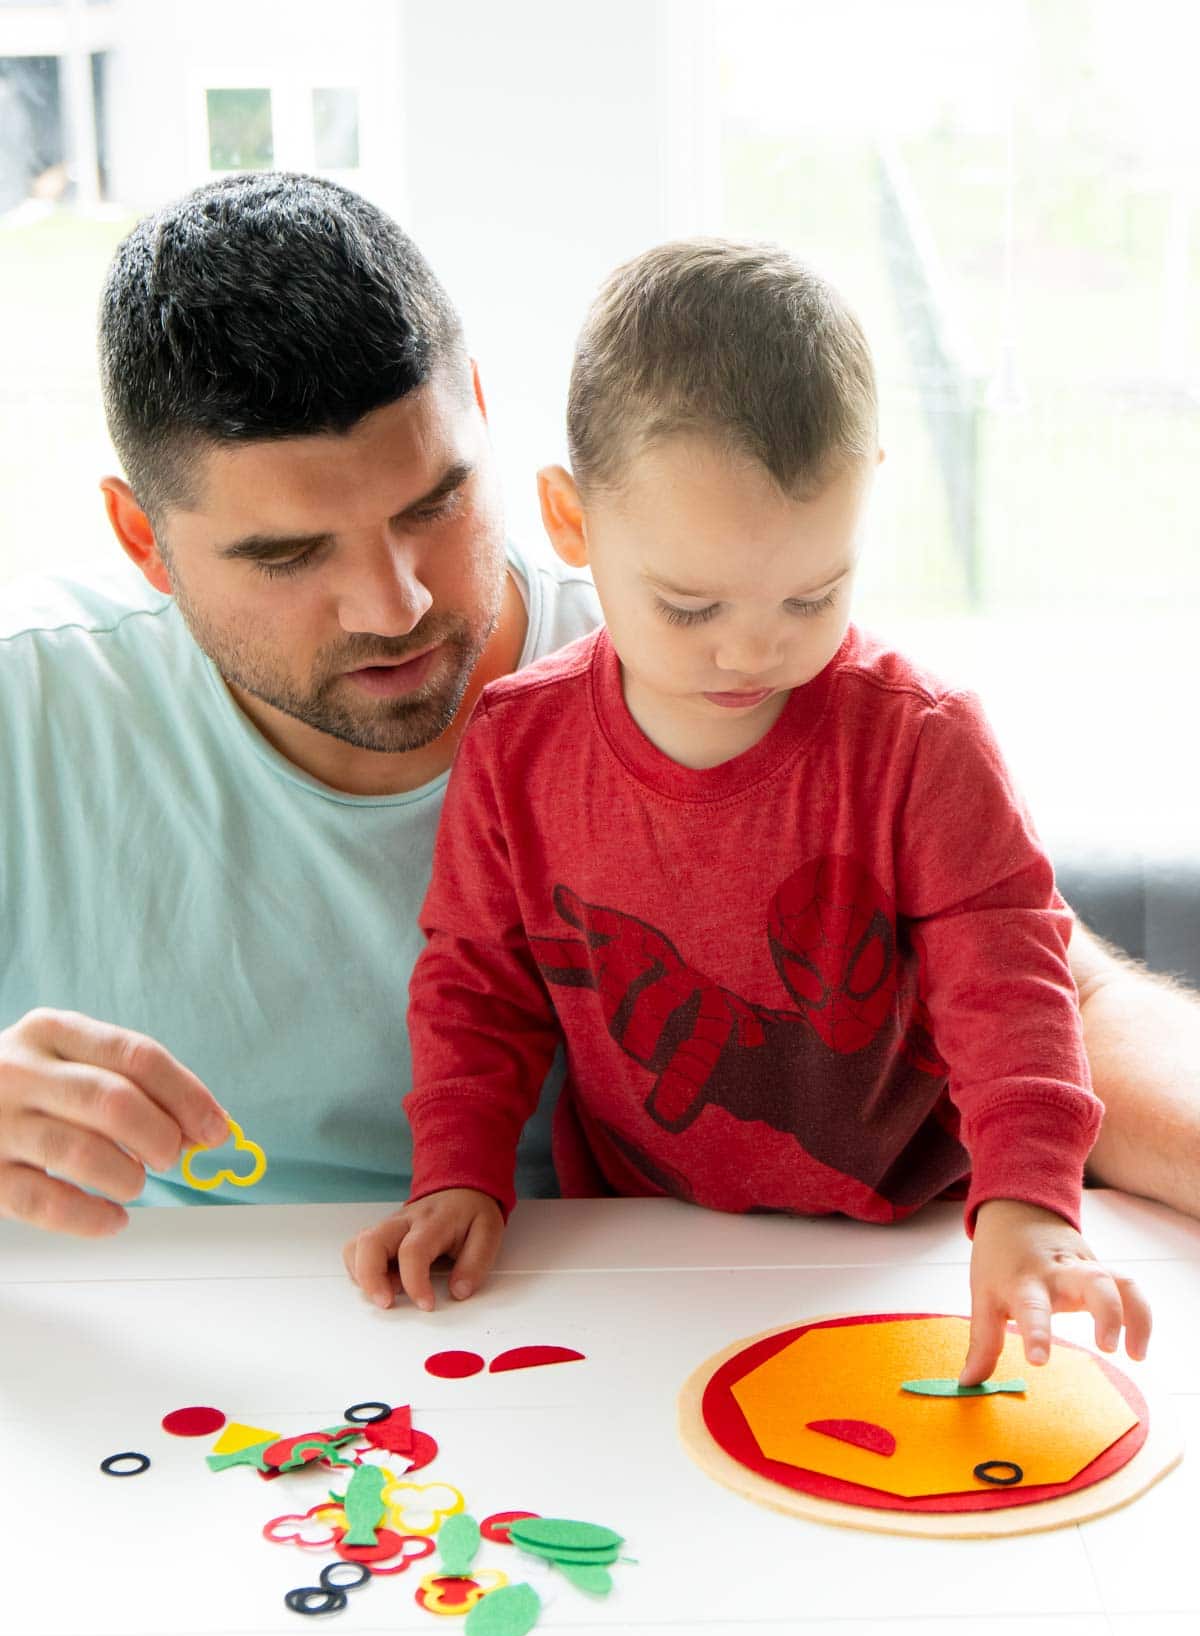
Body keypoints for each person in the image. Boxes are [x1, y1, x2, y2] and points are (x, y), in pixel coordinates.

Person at [0, 178, 1195, 1329]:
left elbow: (1039, 988)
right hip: (197, 1351)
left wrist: (1038, 1196)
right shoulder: (33, 708)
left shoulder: (691, 642)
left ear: (481, 413)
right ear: (142, 541)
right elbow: (474, 992)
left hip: (624, 1315)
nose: (394, 601)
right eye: (286, 555)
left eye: (435, 504)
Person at [399, 238, 1152, 1384]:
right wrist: (457, 1173)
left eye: (814, 594)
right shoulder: (515, 747)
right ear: (569, 522)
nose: (754, 648)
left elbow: (1009, 984)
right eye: (690, 605)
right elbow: (477, 988)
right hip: (645, 1255)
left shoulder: (922, 741)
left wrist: (1030, 1202)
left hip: (910, 1239)